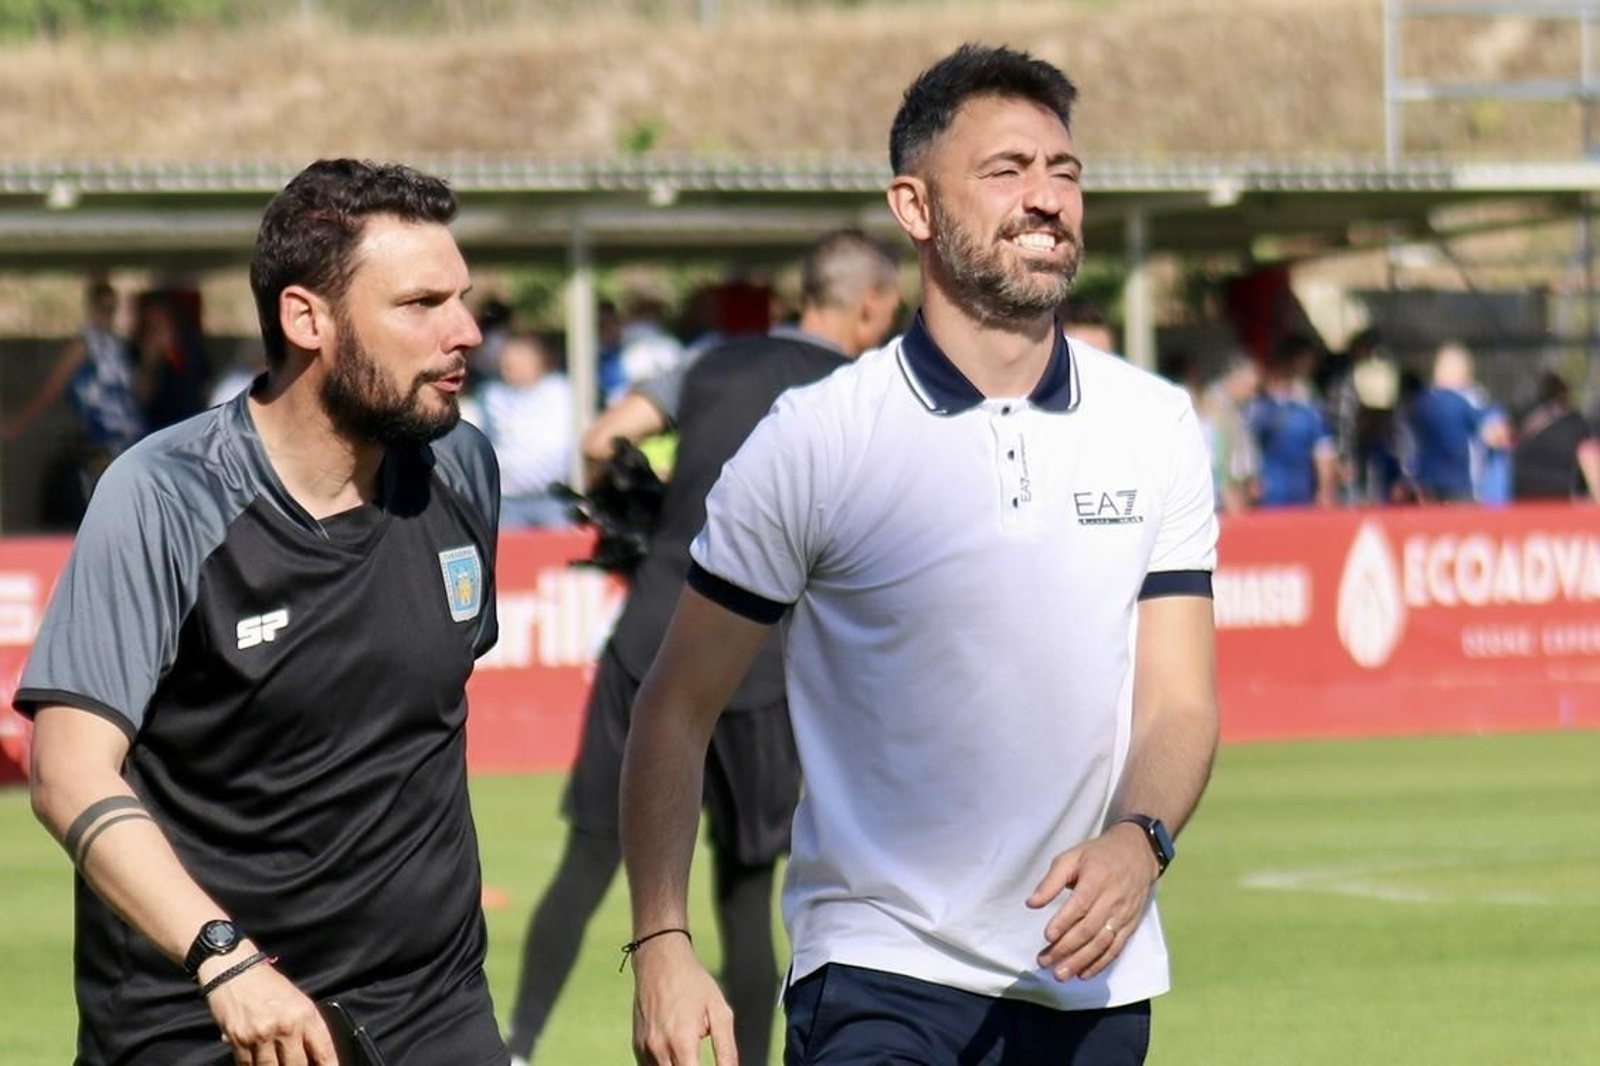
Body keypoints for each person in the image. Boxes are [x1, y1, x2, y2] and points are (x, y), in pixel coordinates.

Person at [620, 44, 1219, 1066]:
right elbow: (675, 707)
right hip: (876, 973)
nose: (1046, 198)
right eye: (1006, 170)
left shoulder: (1155, 423)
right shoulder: (817, 437)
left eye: (1064, 171)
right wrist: (662, 942)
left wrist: (1141, 839)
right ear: (914, 206)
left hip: (1093, 981)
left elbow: (1180, 703)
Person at [16, 159, 508, 1066]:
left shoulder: (462, 466)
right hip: (207, 1020)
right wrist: (224, 959)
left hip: (434, 1014)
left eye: (462, 300)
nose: (466, 331)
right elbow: (68, 773)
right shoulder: (163, 496)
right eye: (421, 304)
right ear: (305, 318)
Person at [505, 229, 903, 1066]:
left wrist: (656, 505)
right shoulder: (861, 391)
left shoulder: (712, 363)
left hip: (653, 630)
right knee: (745, 896)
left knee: (586, 863)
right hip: (760, 663)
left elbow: (601, 438)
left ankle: (518, 1047)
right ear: (871, 306)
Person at [3, 278, 147, 518]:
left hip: (130, 433)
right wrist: (18, 424)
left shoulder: (118, 346)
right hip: (101, 435)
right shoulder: (83, 345)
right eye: (104, 309)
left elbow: (136, 391)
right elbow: (53, 387)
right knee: (106, 498)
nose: (108, 316)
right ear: (93, 309)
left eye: (112, 309)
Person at [468, 331, 575, 528]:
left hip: (553, 497)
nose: (509, 368)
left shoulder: (561, 391)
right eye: (506, 362)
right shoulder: (491, 395)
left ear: (537, 361)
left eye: (517, 361)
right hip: (508, 500)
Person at [1406, 341, 1509, 503]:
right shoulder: (1463, 401)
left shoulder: (1419, 403)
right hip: (1459, 486)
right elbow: (1493, 435)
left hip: (1425, 483)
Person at [1245, 332, 1338, 507]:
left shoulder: (1309, 405)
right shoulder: (1256, 404)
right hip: (1266, 498)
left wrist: (1325, 492)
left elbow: (1324, 452)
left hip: (1300, 498)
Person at [1510, 371, 1600, 502]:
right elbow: (1588, 454)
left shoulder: (1523, 418)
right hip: (1560, 499)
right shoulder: (1575, 422)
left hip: (1520, 497)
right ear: (1564, 394)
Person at [1197, 353, 1261, 514]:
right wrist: (1229, 494)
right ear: (1234, 380)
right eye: (1250, 388)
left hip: (1235, 492)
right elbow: (1217, 458)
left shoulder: (1237, 408)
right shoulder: (1214, 407)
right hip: (1222, 501)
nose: (1252, 394)